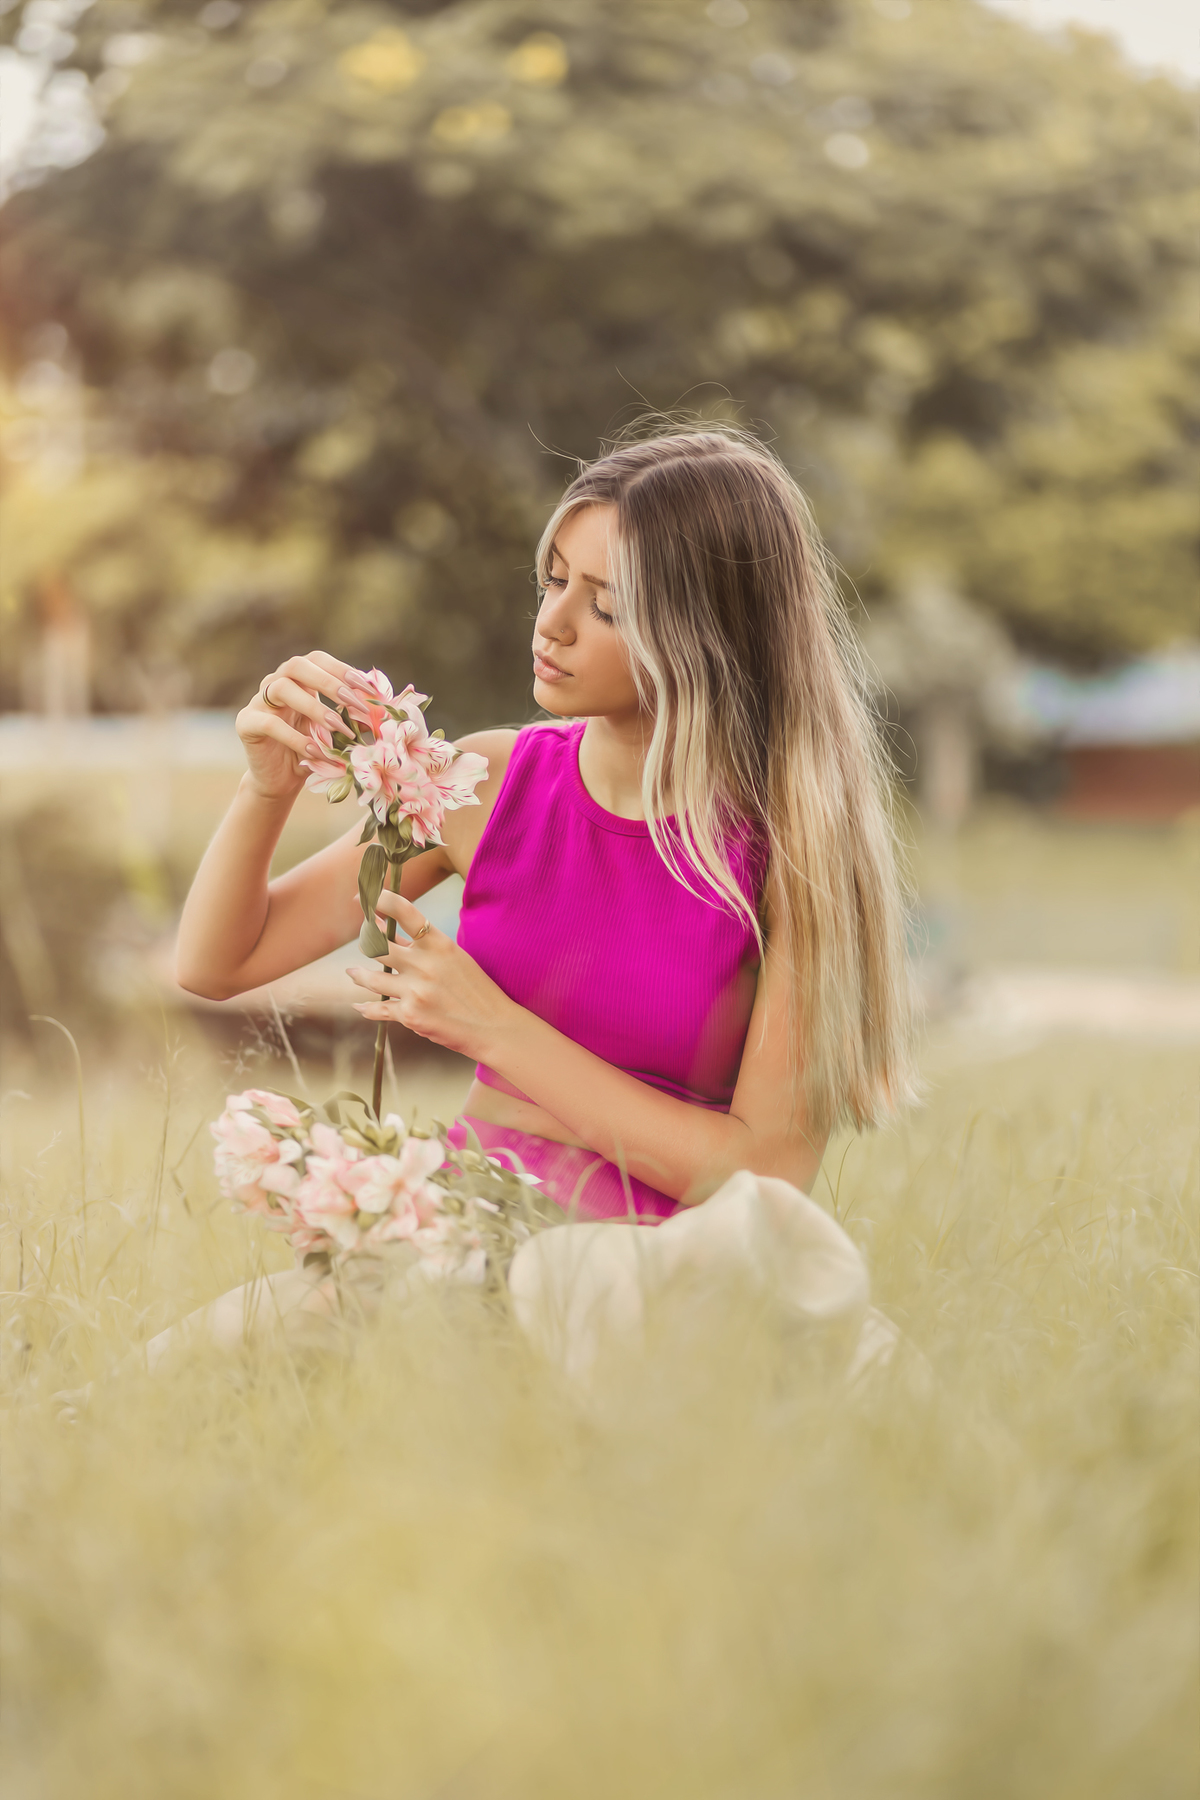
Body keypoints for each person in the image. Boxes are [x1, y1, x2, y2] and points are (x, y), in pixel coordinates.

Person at [176, 428, 916, 1231]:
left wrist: (492, 1028)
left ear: (713, 633)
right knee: (191, 1353)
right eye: (553, 580)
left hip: (659, 1270)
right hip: (458, 1229)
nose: (553, 623)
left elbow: (764, 1175)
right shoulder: (486, 786)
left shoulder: (790, 850)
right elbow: (221, 962)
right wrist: (266, 788)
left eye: (607, 605)